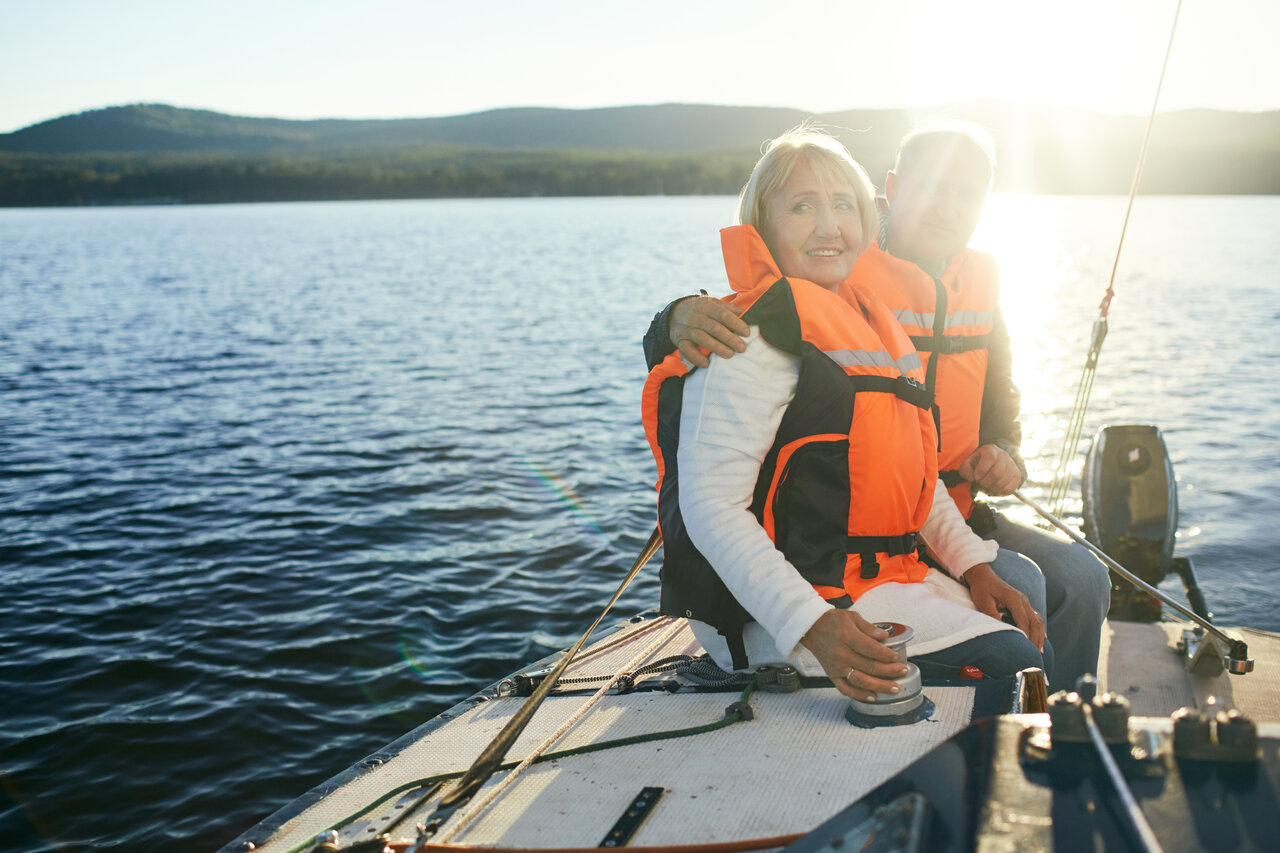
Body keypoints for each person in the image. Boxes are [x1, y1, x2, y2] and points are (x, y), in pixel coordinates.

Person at [643, 121, 1108, 693]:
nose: (828, 226)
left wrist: (976, 557)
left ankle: (1046, 739)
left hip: (889, 558)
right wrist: (672, 319)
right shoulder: (758, 332)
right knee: (1012, 662)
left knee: (1045, 610)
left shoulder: (874, 322)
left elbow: (928, 455)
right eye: (802, 207)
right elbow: (710, 504)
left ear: (863, 216)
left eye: (842, 206)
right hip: (792, 596)